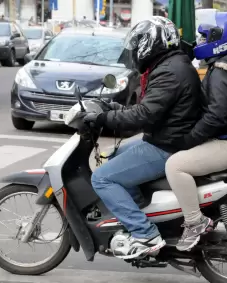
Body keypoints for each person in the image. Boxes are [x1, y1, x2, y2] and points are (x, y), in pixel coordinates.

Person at [84, 16, 202, 259]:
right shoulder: (170, 64)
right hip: (167, 135)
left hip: (167, 144)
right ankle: (137, 212)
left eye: (139, 43)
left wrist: (103, 119)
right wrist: (113, 109)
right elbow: (151, 108)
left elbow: (145, 115)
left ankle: (144, 233)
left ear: (152, 43)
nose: (136, 50)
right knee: (116, 154)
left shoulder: (170, 71)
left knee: (102, 178)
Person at [165, 11, 227, 251]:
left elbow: (216, 115)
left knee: (175, 165)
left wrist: (190, 138)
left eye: (205, 37)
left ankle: (194, 223)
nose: (201, 42)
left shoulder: (223, 71)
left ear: (220, 39)